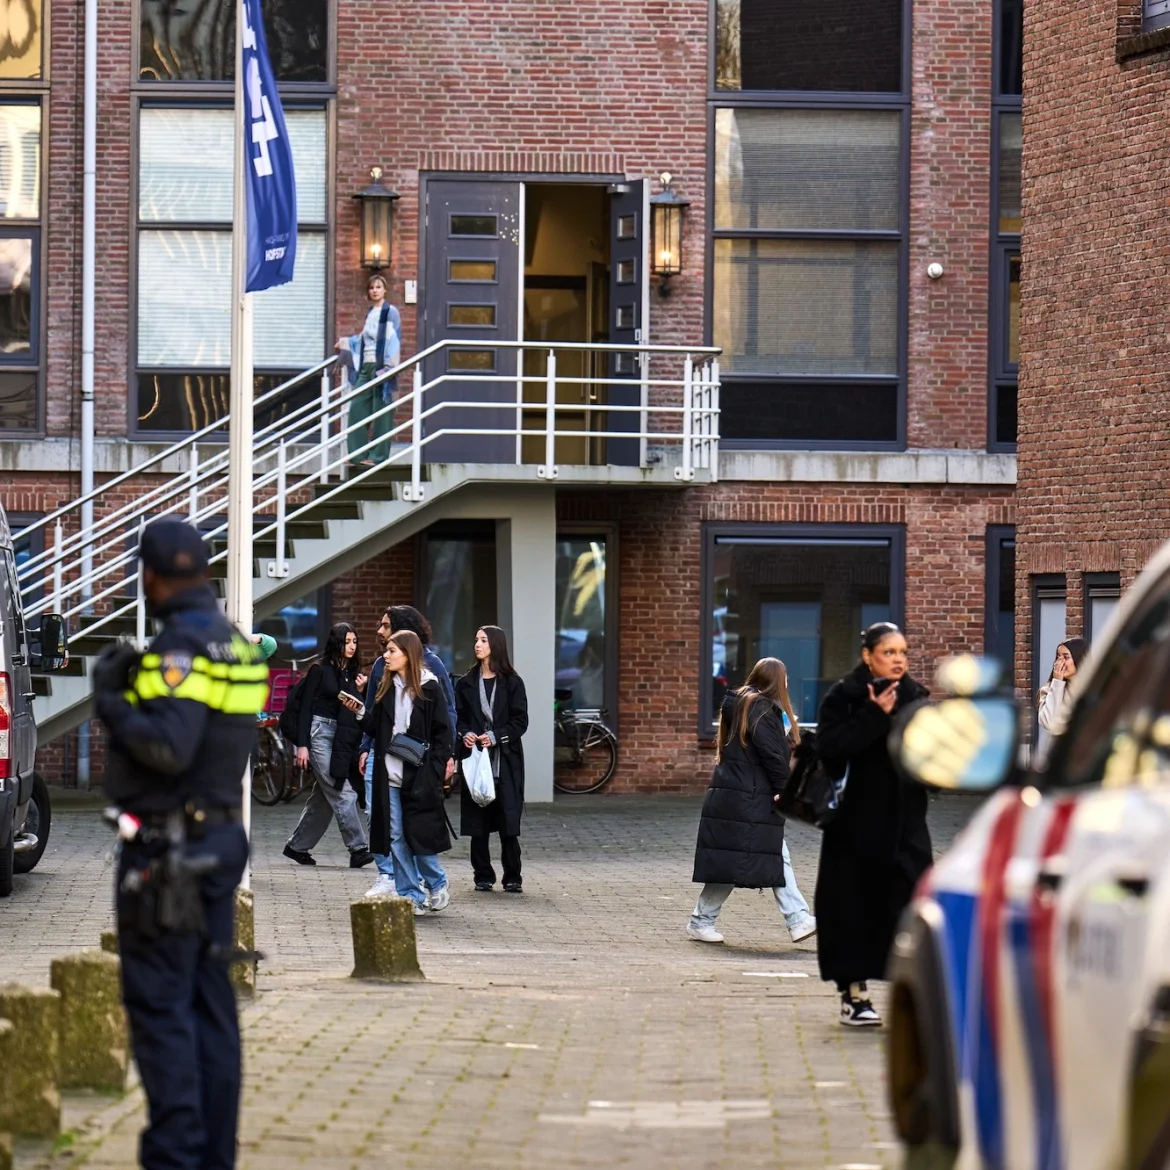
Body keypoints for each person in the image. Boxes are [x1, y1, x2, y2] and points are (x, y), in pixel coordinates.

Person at [91, 518, 269, 1170]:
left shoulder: (179, 648)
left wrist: (110, 702)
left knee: (162, 1009)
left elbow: (168, 746)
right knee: (211, 1008)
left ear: (151, 575)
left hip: (169, 855)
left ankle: (175, 1155)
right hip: (220, 838)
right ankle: (213, 1157)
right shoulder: (239, 646)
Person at [813, 622, 930, 1027]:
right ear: (868, 655)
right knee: (852, 908)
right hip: (855, 827)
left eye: (903, 652)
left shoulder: (916, 699)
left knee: (912, 907)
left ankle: (912, 993)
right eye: (889, 652)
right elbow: (831, 750)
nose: (898, 659)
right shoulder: (843, 697)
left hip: (906, 826)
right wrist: (873, 715)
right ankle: (854, 993)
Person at [686, 657, 817, 945]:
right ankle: (797, 919)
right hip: (751, 796)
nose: (786, 684)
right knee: (767, 853)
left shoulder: (740, 704)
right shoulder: (761, 708)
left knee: (739, 858)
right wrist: (785, 788)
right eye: (784, 679)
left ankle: (702, 920)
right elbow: (772, 754)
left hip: (735, 794)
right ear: (776, 681)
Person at [358, 605, 457, 898]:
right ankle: (408, 892)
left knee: (418, 833)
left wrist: (443, 761)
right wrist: (362, 729)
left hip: (418, 769)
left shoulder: (430, 682)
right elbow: (376, 721)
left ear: (407, 650)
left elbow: (444, 723)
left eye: (391, 649)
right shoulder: (384, 678)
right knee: (393, 832)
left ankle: (436, 882)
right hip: (386, 765)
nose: (384, 653)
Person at [282, 623, 374, 868]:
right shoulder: (319, 671)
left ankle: (297, 847)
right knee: (342, 790)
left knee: (323, 797)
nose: (352, 646)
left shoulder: (351, 674)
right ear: (336, 643)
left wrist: (359, 689)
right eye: (347, 642)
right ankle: (358, 849)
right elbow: (304, 711)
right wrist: (303, 745)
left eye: (355, 641)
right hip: (319, 732)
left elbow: (352, 707)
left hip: (340, 736)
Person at [455, 626, 528, 892]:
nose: (477, 645)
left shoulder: (513, 683)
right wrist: (465, 734)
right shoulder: (465, 683)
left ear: (495, 645)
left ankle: (513, 876)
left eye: (483, 640)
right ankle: (482, 875)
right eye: (475, 640)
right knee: (478, 822)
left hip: (505, 761)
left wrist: (497, 736)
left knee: (508, 820)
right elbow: (459, 718)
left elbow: (521, 721)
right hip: (475, 760)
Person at [336, 272, 401, 467]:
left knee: (382, 412)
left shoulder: (391, 312)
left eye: (378, 287)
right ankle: (357, 456)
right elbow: (363, 340)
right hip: (366, 366)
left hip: (382, 367)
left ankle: (377, 456)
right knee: (357, 408)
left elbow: (394, 339)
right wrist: (345, 342)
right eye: (372, 288)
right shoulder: (370, 313)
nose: (375, 291)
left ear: (385, 290)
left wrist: (389, 368)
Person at [1036, 637, 1087, 753]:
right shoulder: (1049, 689)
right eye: (1058, 656)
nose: (1060, 662)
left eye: (1066, 657)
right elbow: (1049, 722)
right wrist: (1057, 682)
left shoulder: (1092, 687)